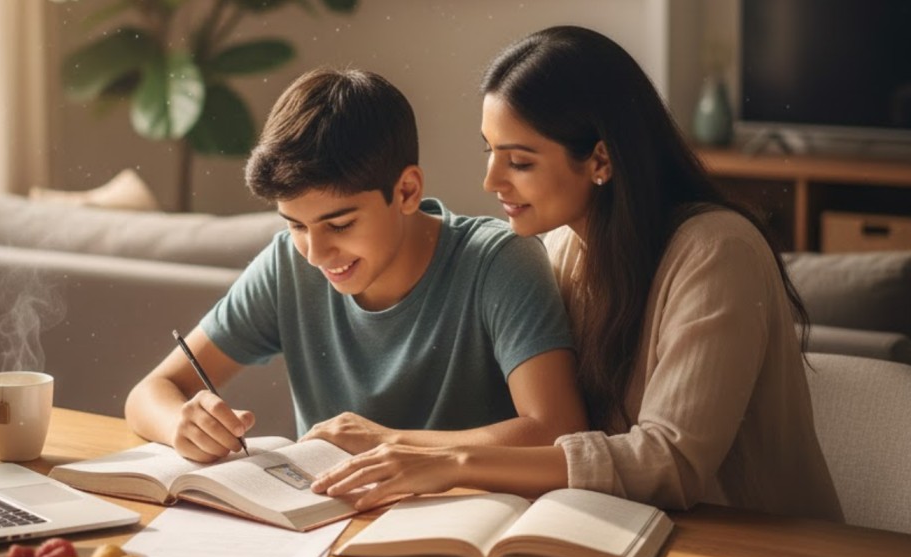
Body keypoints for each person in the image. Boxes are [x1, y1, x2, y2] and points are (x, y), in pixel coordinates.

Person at [311, 26, 844, 523]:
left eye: (518, 161)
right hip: (623, 531)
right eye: (489, 151)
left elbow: (669, 462)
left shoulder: (717, 252)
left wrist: (451, 460)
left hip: (764, 549)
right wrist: (391, 445)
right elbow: (557, 430)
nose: (490, 179)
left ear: (600, 160)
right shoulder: (560, 250)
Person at [126, 68, 587, 462]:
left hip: (465, 530)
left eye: (340, 225)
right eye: (296, 226)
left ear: (406, 191)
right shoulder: (288, 265)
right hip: (327, 532)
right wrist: (180, 423)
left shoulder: (499, 263)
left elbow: (556, 431)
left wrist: (388, 443)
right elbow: (151, 392)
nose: (315, 253)